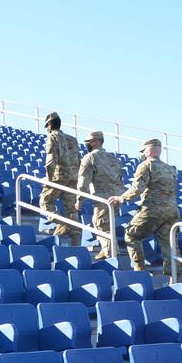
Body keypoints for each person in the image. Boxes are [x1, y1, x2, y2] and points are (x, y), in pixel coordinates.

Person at [108, 138, 179, 273]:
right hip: (172, 211)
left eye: (144, 150)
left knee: (131, 234)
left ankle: (139, 269)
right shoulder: (170, 169)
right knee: (169, 246)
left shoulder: (145, 165)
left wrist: (121, 198)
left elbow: (137, 189)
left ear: (148, 151)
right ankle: (174, 278)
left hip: (153, 209)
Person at [77, 130, 125, 259]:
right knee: (107, 224)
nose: (88, 144)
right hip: (116, 196)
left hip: (103, 197)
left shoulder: (90, 157)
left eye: (90, 142)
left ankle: (110, 254)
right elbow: (120, 178)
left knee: (100, 223)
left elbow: (83, 180)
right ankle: (111, 250)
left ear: (97, 142)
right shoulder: (112, 157)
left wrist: (79, 199)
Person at [39, 111, 82, 244]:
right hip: (73, 178)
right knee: (71, 209)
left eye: (47, 126)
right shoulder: (72, 139)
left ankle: (63, 224)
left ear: (50, 125)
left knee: (45, 202)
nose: (47, 129)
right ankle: (75, 240)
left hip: (59, 177)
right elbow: (79, 159)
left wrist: (48, 179)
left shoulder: (53, 137)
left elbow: (51, 159)